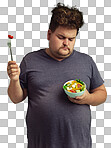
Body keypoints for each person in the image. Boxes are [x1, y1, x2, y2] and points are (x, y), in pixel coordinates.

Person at [7, 3, 107, 148]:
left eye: (71, 39)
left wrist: (87, 98)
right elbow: (16, 98)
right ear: (49, 34)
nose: (66, 43)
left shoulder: (86, 61)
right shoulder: (30, 60)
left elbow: (102, 93)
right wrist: (14, 80)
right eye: (61, 37)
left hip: (78, 144)